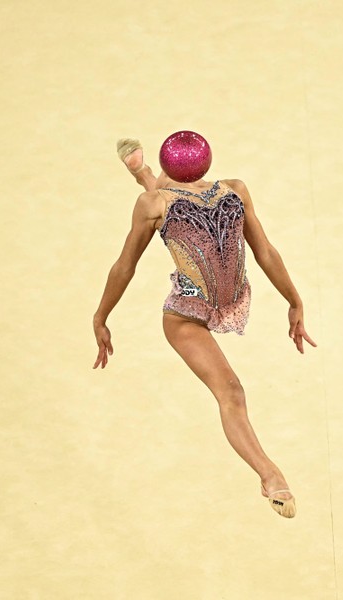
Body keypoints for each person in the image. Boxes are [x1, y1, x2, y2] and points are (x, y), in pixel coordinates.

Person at [92, 134, 317, 518]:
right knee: (232, 391)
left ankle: (141, 170)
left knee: (163, 197)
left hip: (228, 295)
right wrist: (101, 315)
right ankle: (270, 474)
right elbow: (124, 266)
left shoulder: (235, 192)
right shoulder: (152, 205)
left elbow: (265, 250)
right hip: (186, 314)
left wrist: (295, 300)